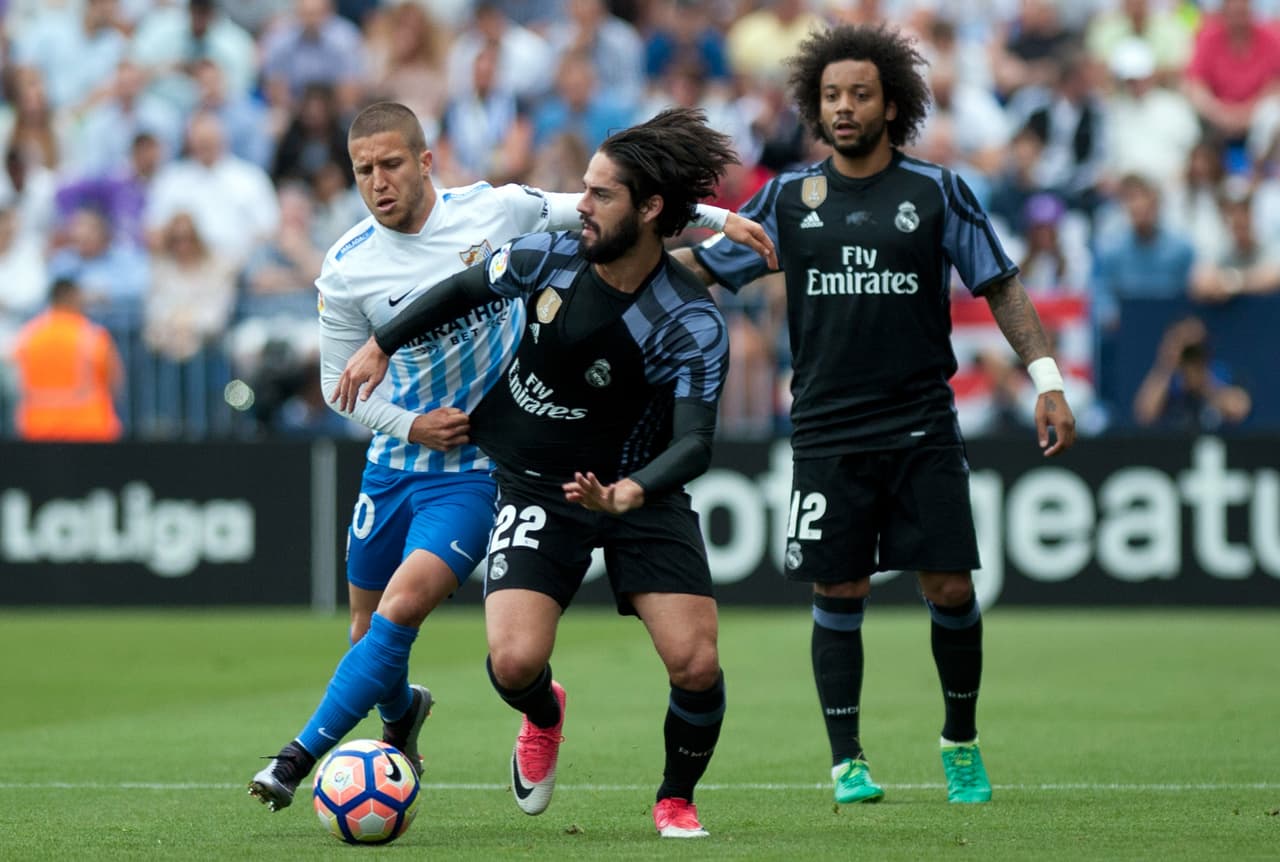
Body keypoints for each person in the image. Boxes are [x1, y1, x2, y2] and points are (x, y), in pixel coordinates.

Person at [247, 101, 771, 814]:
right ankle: (425, 713)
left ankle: (295, 757)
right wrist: (405, 410)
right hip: (411, 459)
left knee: (405, 612)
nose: (377, 181)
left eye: (391, 164)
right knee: (381, 636)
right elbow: (348, 387)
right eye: (363, 170)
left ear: (426, 161)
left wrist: (715, 219)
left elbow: (615, 219)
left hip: (489, 463)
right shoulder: (345, 270)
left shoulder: (498, 213)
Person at [672, 23, 1078, 806]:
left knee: (951, 588)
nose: (844, 108)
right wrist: (625, 262)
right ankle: (847, 760)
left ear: (893, 105)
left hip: (922, 421)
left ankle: (960, 740)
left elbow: (1000, 284)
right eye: (831, 97)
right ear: (814, 109)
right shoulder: (791, 197)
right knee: (839, 591)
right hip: (826, 428)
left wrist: (1048, 377)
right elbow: (708, 269)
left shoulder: (936, 190)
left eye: (860, 94)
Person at [12, 277, 123, 442]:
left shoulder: (28, 335)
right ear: (73, 298)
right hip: (89, 428)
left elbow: (16, 380)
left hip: (37, 428)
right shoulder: (91, 336)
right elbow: (115, 382)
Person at [1132, 316, 1251, 430]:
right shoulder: (1171, 379)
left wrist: (1203, 384)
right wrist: (1168, 362)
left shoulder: (1221, 373)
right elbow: (1145, 414)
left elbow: (1240, 408)